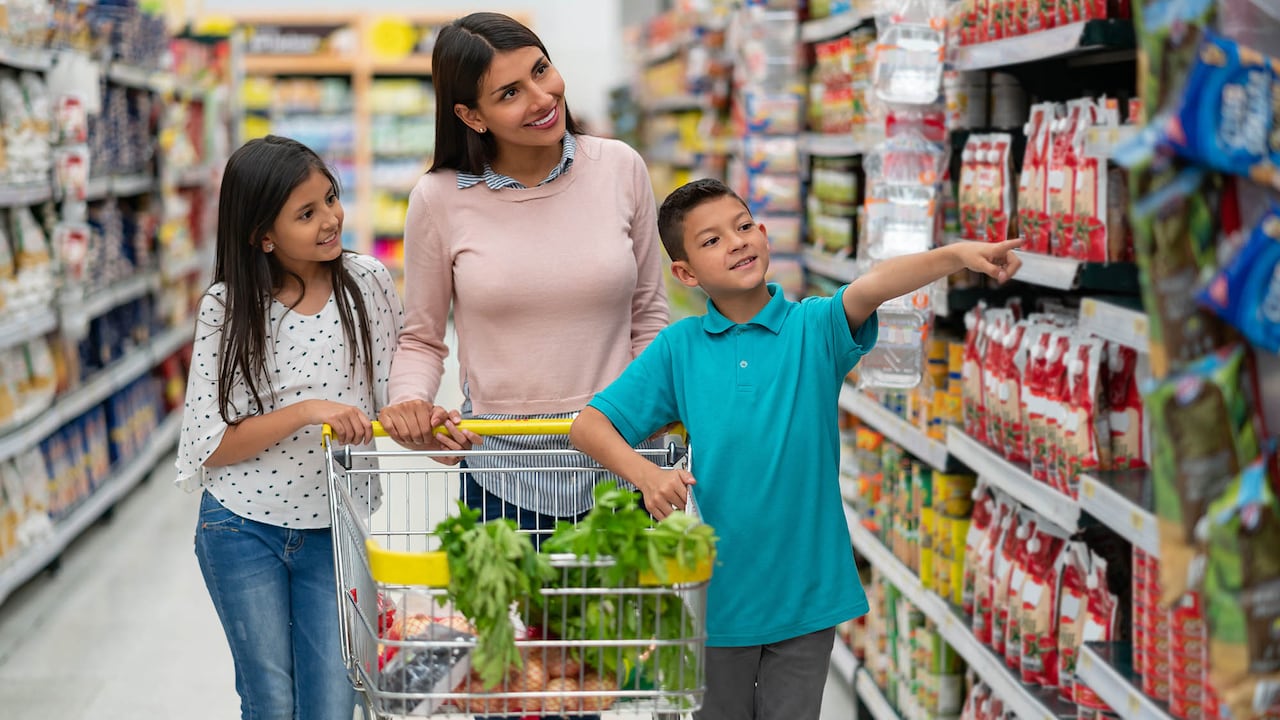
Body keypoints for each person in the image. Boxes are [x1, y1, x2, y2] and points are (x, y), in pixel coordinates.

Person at [570, 178, 1023, 720]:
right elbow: (590, 426)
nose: (736, 242)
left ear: (763, 233)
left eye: (742, 227)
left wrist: (954, 255)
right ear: (686, 274)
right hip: (715, 597)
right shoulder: (679, 347)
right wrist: (644, 474)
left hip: (806, 592)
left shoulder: (813, 328)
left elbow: (873, 286)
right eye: (711, 240)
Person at [379, 11, 668, 540]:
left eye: (541, 70)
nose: (541, 98)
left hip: (626, 465)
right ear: (471, 116)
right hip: (504, 477)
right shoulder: (439, 199)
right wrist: (410, 404)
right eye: (510, 93)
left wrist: (655, 417)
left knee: (619, 624)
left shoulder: (620, 167)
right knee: (521, 626)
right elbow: (421, 338)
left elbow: (649, 315)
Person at [174, 135, 403, 720]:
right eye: (307, 213)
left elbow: (388, 399)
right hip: (241, 527)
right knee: (271, 702)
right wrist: (310, 411)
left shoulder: (367, 282)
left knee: (334, 702)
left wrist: (428, 429)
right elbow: (214, 445)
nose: (331, 219)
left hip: (335, 526)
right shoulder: (229, 307)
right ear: (263, 235)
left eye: (330, 198)